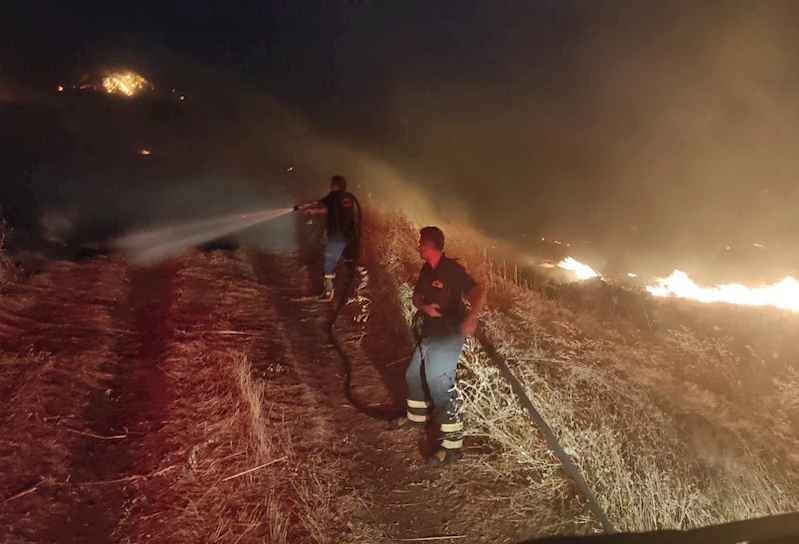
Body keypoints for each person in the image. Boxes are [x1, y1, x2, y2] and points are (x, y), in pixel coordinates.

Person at [392, 226, 484, 467]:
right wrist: (425, 308)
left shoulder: (452, 270)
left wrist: (472, 317)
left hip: (449, 333)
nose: (418, 247)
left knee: (439, 382)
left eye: (421, 243)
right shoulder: (426, 269)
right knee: (413, 374)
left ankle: (452, 445)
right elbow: (417, 298)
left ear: (429, 246)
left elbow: (477, 290)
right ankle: (417, 416)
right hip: (430, 332)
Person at [301, 175, 357, 301]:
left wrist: (311, 211)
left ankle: (328, 293)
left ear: (336, 185)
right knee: (349, 263)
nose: (330, 186)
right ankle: (351, 292)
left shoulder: (333, 196)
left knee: (329, 263)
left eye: (332, 184)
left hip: (337, 236)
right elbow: (331, 209)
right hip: (350, 236)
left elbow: (325, 207)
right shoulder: (348, 197)